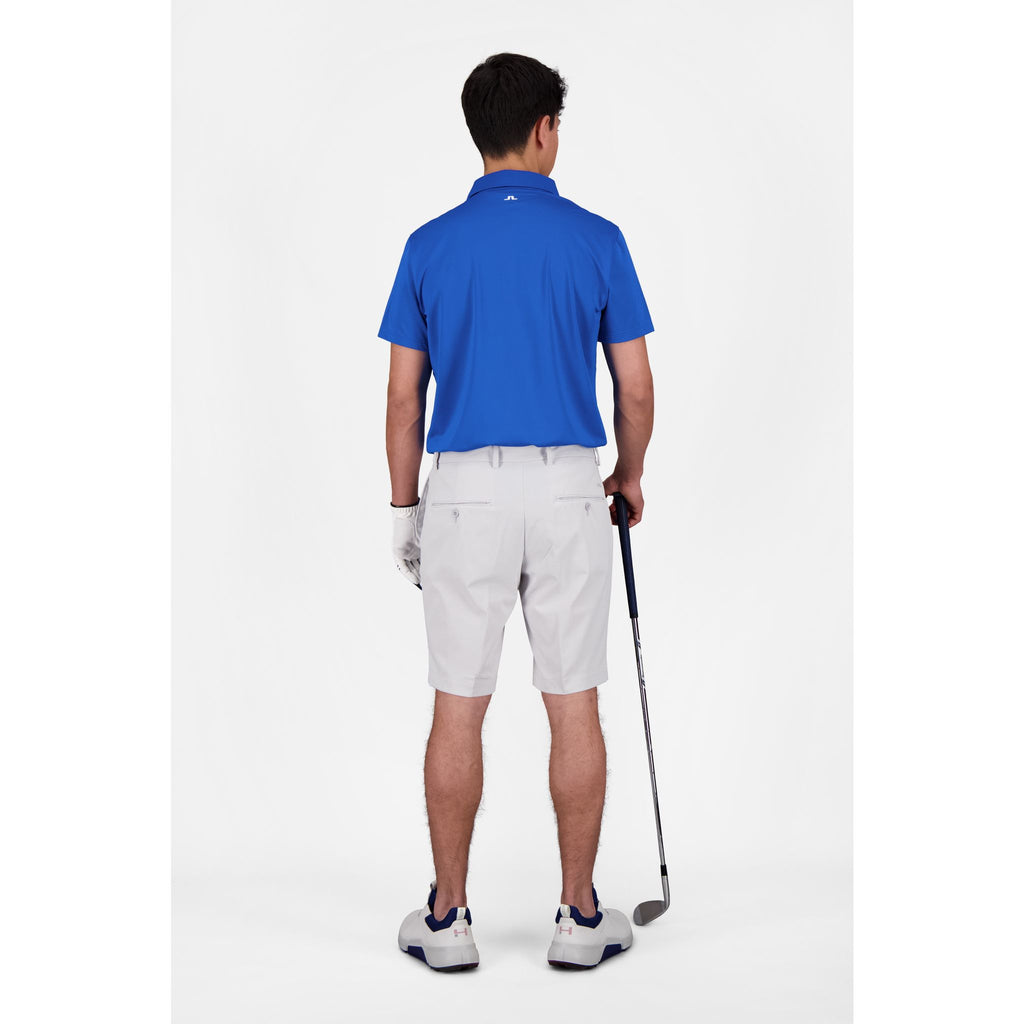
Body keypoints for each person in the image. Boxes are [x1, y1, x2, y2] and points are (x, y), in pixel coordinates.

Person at [377, 52, 655, 971]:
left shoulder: (429, 245)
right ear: (544, 130)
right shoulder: (596, 238)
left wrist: (404, 509)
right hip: (571, 485)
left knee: (458, 704)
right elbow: (635, 386)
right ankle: (579, 917)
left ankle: (448, 920)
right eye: (557, 125)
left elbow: (404, 400)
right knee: (574, 702)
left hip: (465, 492)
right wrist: (629, 476)